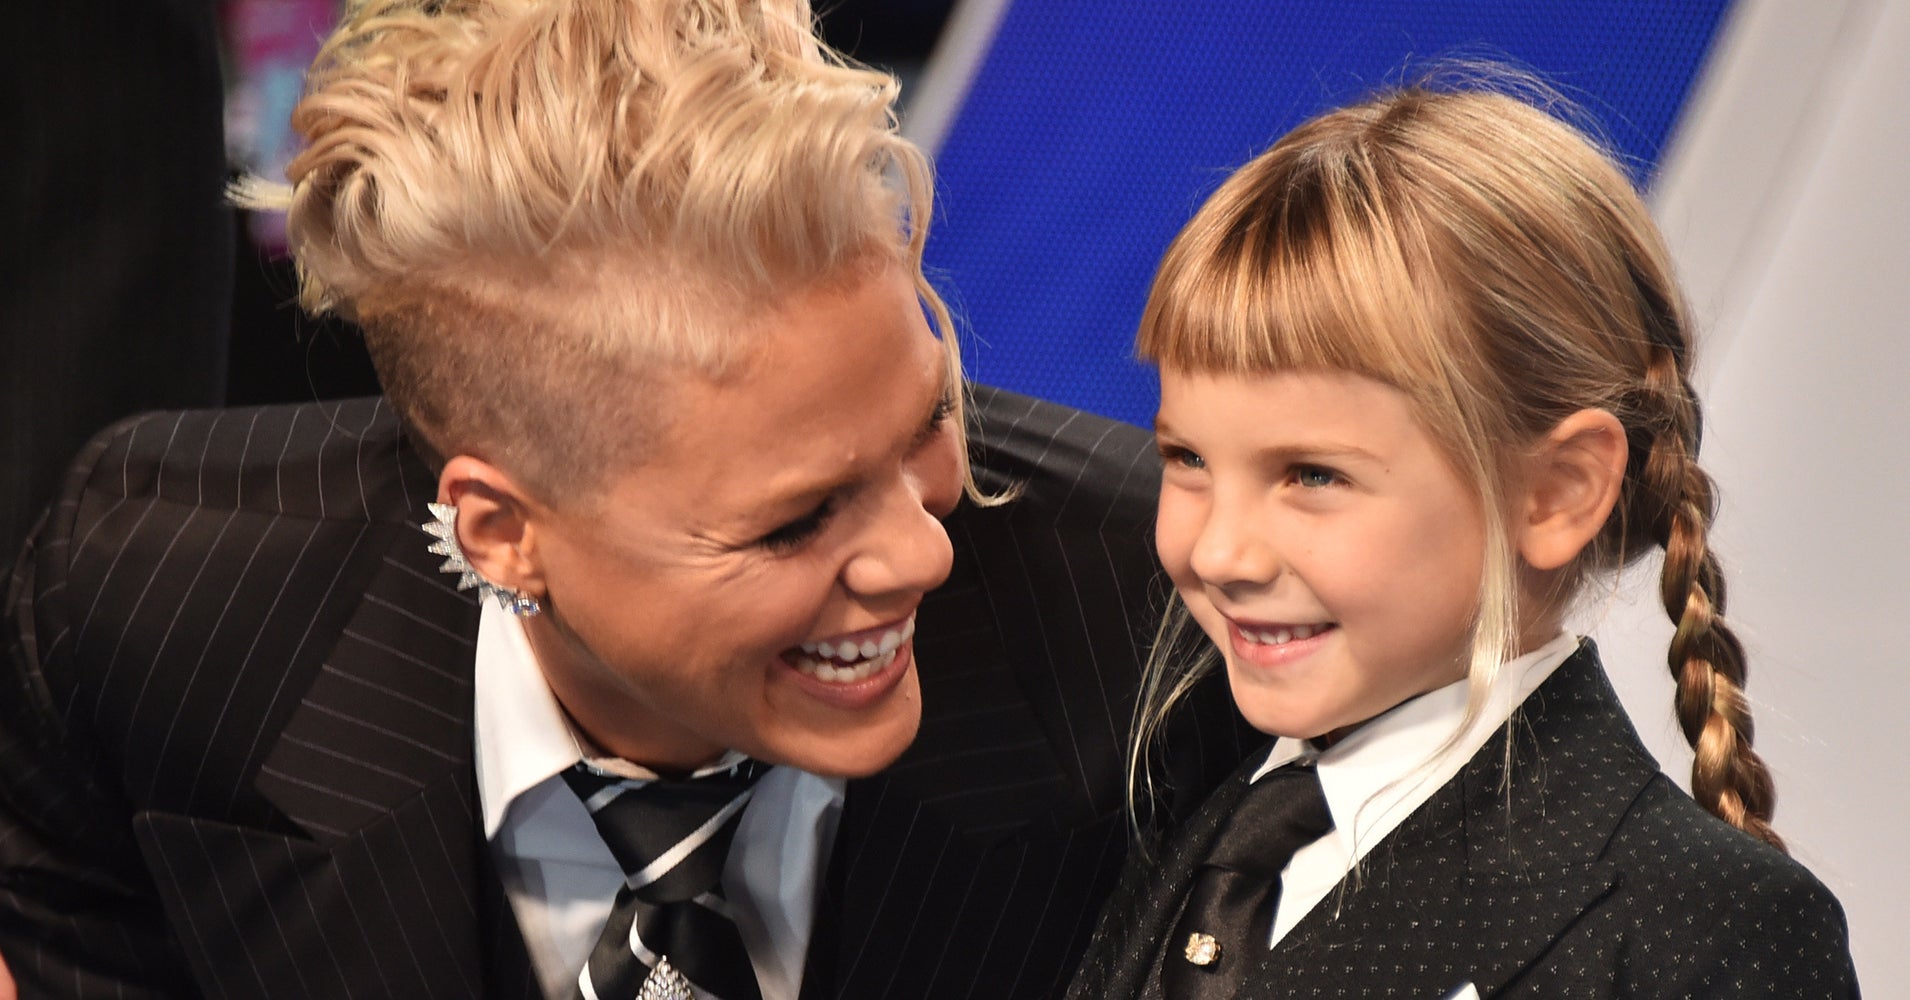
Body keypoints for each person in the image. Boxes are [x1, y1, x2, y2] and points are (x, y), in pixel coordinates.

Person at [0, 1, 1250, 997]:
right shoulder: (154, 609)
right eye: (796, 519)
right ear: (502, 530)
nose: (919, 550)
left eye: (928, 420)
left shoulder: (1166, 619)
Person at [1067, 81, 1860, 999]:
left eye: (1313, 476)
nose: (1219, 553)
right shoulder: (1182, 816)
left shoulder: (1700, 928)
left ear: (1556, 493)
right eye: (1188, 458)